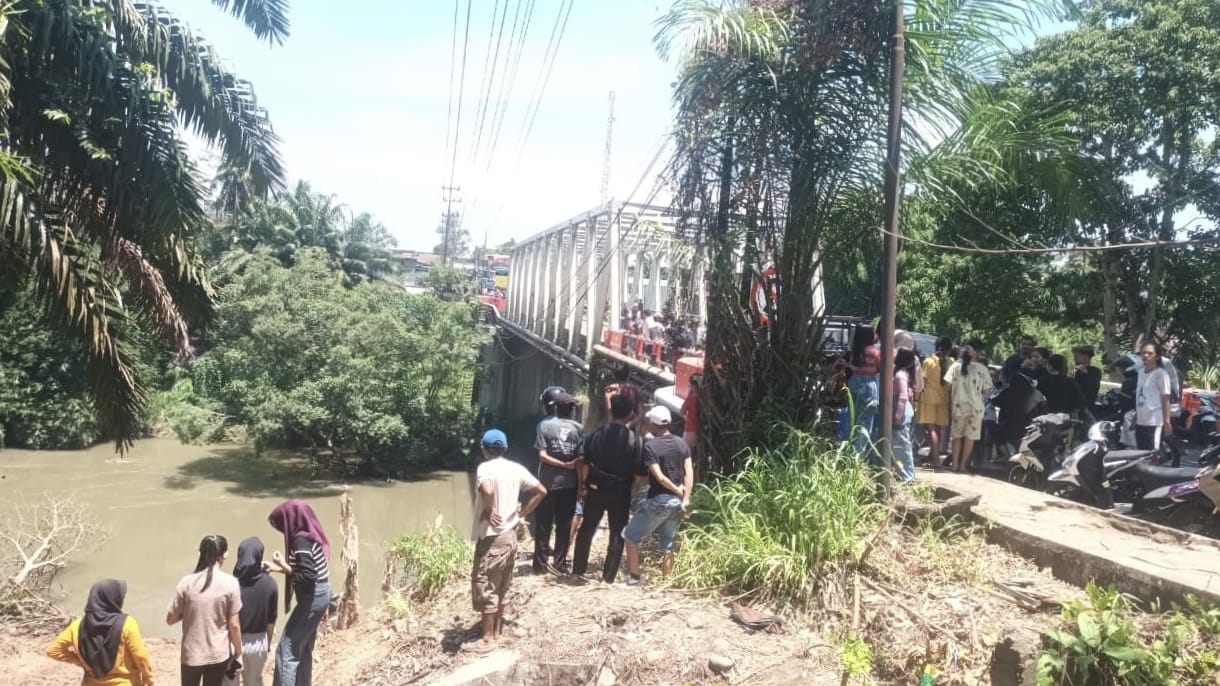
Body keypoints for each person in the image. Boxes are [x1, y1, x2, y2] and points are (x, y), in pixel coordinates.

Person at [469, 429, 547, 651]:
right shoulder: (516, 468)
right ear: (504, 449)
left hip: (493, 537)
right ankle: (496, 630)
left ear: (484, 449)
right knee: (501, 584)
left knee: (486, 584)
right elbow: (541, 490)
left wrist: (489, 508)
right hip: (510, 535)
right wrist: (521, 515)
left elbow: (487, 488)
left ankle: (487, 640)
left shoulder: (485, 467)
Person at [573, 394, 644, 583]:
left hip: (596, 488)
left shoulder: (596, 434)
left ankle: (578, 570)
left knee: (587, 528)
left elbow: (585, 463)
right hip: (621, 491)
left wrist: (582, 487)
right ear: (630, 414)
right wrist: (632, 487)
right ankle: (609, 576)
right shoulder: (635, 440)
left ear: (610, 410)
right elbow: (638, 472)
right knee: (617, 532)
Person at [622, 406, 693, 585]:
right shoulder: (681, 443)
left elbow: (659, 476)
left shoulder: (650, 446)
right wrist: (685, 497)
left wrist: (677, 491)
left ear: (653, 424)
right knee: (668, 543)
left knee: (630, 536)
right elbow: (689, 472)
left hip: (660, 500)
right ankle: (666, 582)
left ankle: (634, 578)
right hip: (677, 503)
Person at [265, 500, 330, 686]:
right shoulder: (310, 536)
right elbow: (315, 569)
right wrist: (280, 568)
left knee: (286, 652)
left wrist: (283, 567)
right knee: (303, 649)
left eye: (281, 525)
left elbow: (307, 576)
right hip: (320, 593)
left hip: (313, 597)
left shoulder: (301, 541)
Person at [167, 535, 243, 686]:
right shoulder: (231, 583)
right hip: (219, 654)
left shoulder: (186, 582)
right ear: (225, 555)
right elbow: (234, 625)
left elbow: (170, 619)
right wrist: (239, 653)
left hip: (192, 654)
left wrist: (191, 611)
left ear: (200, 553)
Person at [48, 579, 154, 686]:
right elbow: (140, 655)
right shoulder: (127, 623)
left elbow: (53, 650)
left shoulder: (77, 625)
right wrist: (148, 678)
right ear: (114, 599)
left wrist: (82, 663)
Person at [532, 391, 583, 573]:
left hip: (546, 484)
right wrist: (581, 486)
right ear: (572, 409)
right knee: (564, 525)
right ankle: (560, 564)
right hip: (570, 485)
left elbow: (542, 456)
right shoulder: (579, 429)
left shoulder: (545, 427)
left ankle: (540, 565)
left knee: (543, 524)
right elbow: (580, 461)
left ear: (555, 408)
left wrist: (562, 464)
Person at [223, 538, 277, 686]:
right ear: (259, 556)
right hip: (258, 642)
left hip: (233, 642)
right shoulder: (270, 584)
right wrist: (267, 644)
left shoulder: (231, 583)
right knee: (254, 682)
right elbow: (271, 622)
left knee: (229, 681)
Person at [946, 343, 992, 473]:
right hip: (976, 408)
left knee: (956, 436)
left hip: (958, 406)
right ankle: (962, 465)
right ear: (977, 353)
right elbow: (988, 390)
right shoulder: (982, 369)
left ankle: (954, 464)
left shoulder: (955, 367)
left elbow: (947, 385)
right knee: (970, 437)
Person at [846, 325, 881, 459]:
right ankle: (858, 455)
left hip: (854, 382)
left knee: (852, 418)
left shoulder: (855, 350)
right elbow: (880, 368)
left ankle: (849, 452)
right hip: (868, 385)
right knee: (865, 421)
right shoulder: (875, 351)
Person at [916, 337, 952, 466]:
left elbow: (923, 380)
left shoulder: (929, 361)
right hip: (944, 399)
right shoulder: (951, 362)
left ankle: (936, 460)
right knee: (938, 429)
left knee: (930, 429)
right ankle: (932, 457)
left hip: (929, 398)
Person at [1135, 342, 1173, 450]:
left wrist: (1167, 422)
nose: (1146, 356)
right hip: (1141, 421)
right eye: (1143, 353)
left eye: (1150, 353)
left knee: (1153, 455)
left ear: (1157, 356)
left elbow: (1165, 399)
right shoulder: (1140, 372)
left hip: (1155, 421)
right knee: (1141, 454)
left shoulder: (1161, 374)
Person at [892, 348, 918, 483]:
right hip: (904, 412)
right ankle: (907, 475)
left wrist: (897, 415)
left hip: (900, 412)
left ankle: (907, 477)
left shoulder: (900, 375)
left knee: (901, 445)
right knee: (901, 444)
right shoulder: (905, 374)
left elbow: (902, 397)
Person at [681, 375, 700, 455]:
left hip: (690, 430)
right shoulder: (703, 397)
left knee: (686, 453)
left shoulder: (691, 397)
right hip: (700, 429)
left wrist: (687, 418)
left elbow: (682, 411)